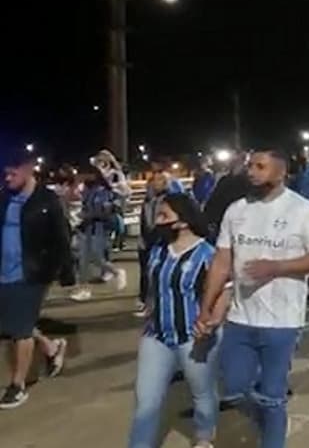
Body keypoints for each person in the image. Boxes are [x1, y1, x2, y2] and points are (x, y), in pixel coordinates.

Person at [196, 148, 309, 448]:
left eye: (260, 166)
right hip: (240, 318)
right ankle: (270, 419)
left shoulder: (302, 210)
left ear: (281, 172)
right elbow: (221, 262)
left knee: (272, 396)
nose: (252, 171)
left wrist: (278, 267)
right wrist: (206, 307)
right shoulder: (236, 210)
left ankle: (272, 437)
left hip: (282, 322)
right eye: (250, 166)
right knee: (234, 388)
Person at [128, 193, 230, 448]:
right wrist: (150, 313)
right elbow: (153, 288)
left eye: (164, 215)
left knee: (202, 394)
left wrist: (213, 322)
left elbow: (223, 290)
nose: (158, 220)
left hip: (193, 337)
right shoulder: (158, 251)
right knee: (146, 401)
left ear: (183, 221)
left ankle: (204, 437)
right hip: (157, 337)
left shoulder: (207, 253)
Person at [0, 150, 71, 409]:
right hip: (3, 273)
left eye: (12, 172)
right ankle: (51, 348)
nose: (7, 177)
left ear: (29, 168)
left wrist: (64, 272)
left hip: (31, 274)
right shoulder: (4, 197)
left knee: (19, 330)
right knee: (12, 323)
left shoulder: (47, 200)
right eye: (5, 172)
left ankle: (17, 385)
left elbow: (62, 237)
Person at [71, 166, 126, 301]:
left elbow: (103, 212)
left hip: (98, 228)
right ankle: (84, 288)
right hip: (86, 228)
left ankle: (115, 272)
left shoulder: (102, 192)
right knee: (83, 259)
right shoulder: (87, 190)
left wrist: (84, 216)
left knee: (95, 257)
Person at [134, 172, 172, 317]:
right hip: (146, 241)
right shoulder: (148, 200)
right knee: (145, 273)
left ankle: (154, 305)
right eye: (152, 180)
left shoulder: (168, 200)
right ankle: (145, 302)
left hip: (160, 241)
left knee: (156, 274)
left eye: (158, 180)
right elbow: (144, 221)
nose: (153, 183)